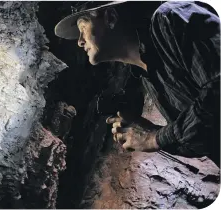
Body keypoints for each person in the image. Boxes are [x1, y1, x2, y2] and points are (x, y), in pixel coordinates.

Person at [54, 1, 220, 166]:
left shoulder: (171, 17)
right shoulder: (150, 79)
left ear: (110, 17)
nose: (80, 41)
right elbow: (203, 142)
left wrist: (154, 138)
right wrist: (149, 132)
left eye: (83, 27)